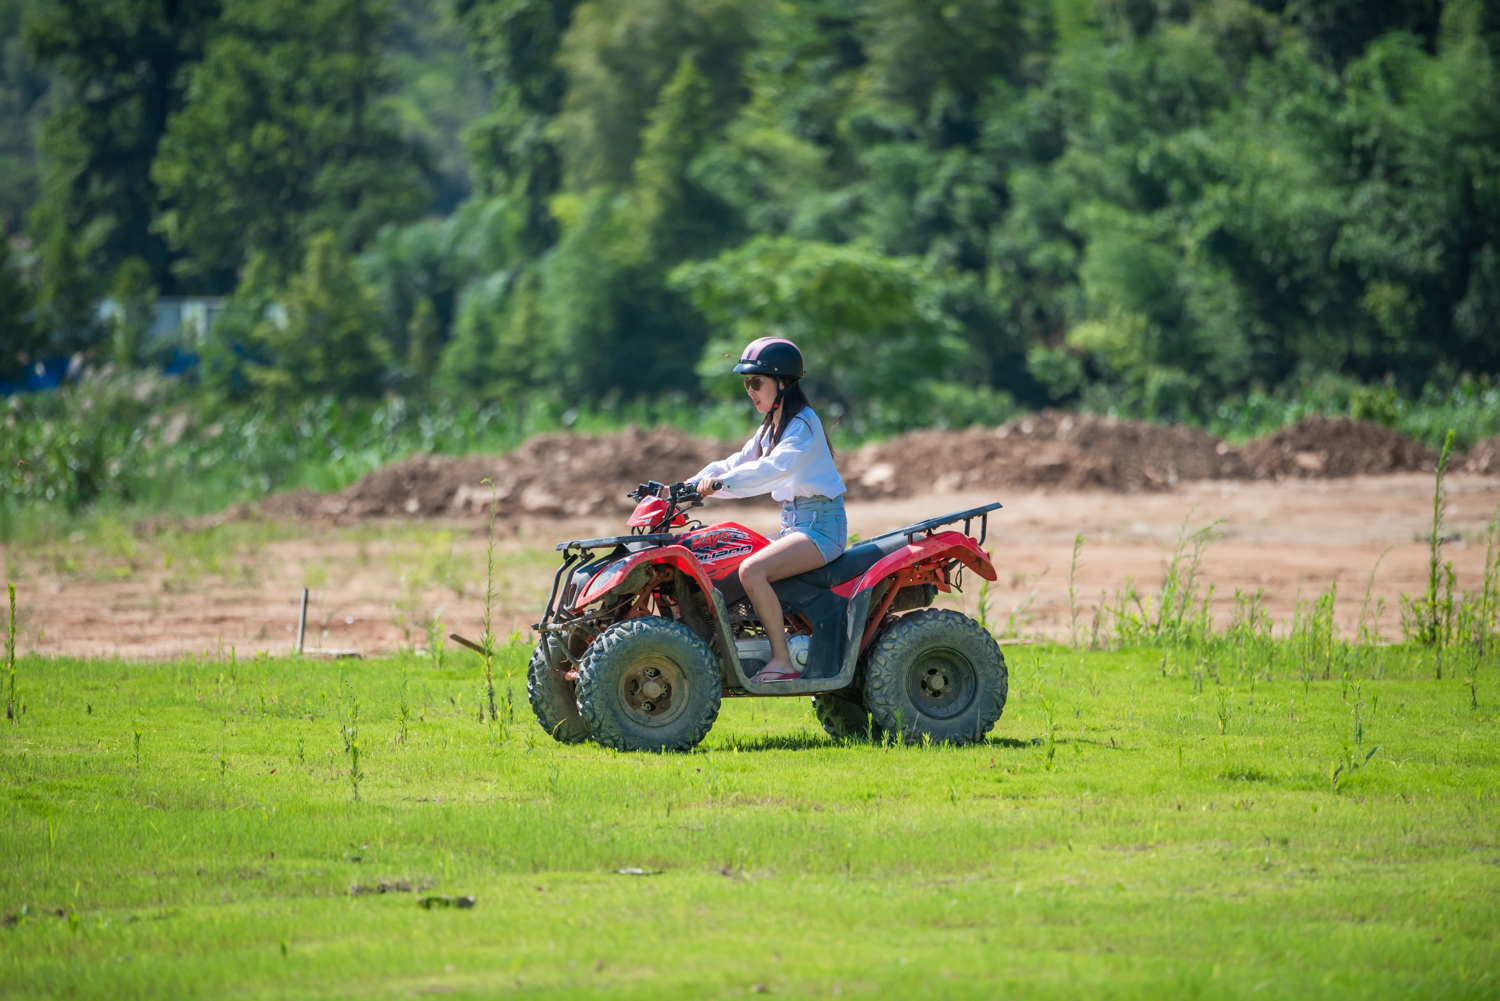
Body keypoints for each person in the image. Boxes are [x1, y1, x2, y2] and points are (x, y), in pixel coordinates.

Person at [687, 336, 847, 682]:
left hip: (820, 529)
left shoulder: (802, 426)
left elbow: (770, 470)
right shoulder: (771, 427)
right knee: (729, 551)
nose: (750, 389)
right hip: (796, 526)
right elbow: (735, 462)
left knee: (751, 570)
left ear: (782, 382)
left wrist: (721, 485)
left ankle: (782, 660)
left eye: (756, 381)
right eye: (746, 382)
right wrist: (688, 486)